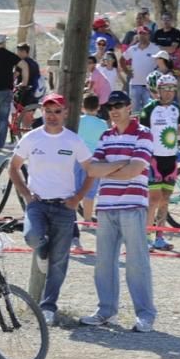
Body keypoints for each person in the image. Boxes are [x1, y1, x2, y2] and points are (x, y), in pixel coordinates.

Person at [10, 93, 113, 325]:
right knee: (32, 237)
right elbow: (13, 166)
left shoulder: (73, 140)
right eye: (48, 111)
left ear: (65, 113)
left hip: (64, 206)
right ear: (42, 112)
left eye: (57, 111)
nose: (52, 116)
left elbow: (91, 169)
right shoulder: (32, 138)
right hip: (38, 204)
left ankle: (48, 307)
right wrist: (26, 194)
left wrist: (78, 198)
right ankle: (42, 251)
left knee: (59, 262)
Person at [79, 90, 158, 333]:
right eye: (110, 105)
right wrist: (121, 164)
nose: (113, 109)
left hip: (133, 207)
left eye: (119, 104)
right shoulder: (105, 135)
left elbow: (133, 171)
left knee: (137, 263)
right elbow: (92, 170)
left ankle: (145, 315)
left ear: (129, 106)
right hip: (106, 207)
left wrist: (109, 168)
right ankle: (106, 311)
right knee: (103, 263)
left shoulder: (144, 134)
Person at [139, 74, 180, 251]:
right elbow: (142, 134)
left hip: (171, 161)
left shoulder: (176, 109)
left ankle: (160, 237)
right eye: (165, 89)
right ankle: (146, 237)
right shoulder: (149, 109)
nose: (168, 93)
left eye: (171, 89)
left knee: (165, 199)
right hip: (154, 161)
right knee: (153, 200)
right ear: (158, 90)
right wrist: (148, 158)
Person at [75, 94, 109, 249]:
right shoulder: (103, 124)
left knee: (74, 191)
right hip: (94, 161)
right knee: (89, 193)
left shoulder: (78, 121)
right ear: (98, 107)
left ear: (83, 106)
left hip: (77, 159)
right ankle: (87, 221)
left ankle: (72, 220)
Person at [0, 34, 26, 151]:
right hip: (7, 91)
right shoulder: (10, 55)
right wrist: (24, 82)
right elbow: (24, 66)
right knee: (3, 119)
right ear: (3, 43)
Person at [122, 26, 160, 113]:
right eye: (140, 33)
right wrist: (126, 71)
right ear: (137, 35)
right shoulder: (132, 49)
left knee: (150, 111)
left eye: (145, 34)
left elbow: (161, 62)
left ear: (149, 35)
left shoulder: (155, 49)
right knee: (135, 112)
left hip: (150, 86)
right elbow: (122, 59)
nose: (142, 36)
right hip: (135, 84)